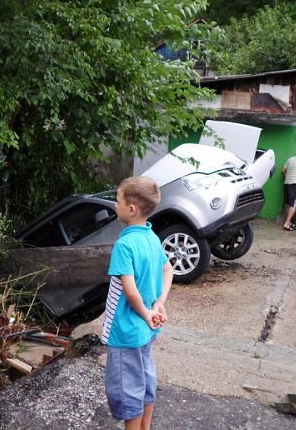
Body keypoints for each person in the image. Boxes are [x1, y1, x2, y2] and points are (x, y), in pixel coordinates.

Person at [101, 176, 174, 430]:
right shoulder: (151, 237)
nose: (115, 204)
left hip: (127, 330)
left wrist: (145, 312)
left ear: (131, 209)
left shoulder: (125, 244)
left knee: (127, 390)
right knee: (144, 379)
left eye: (118, 200)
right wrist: (158, 303)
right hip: (146, 329)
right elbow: (169, 270)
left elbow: (130, 292)